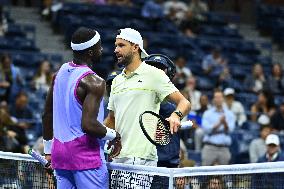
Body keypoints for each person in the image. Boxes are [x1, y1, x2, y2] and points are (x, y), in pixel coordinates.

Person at [42, 27, 121, 189]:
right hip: (85, 158)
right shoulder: (95, 82)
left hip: (60, 155)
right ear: (90, 52)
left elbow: (47, 115)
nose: (102, 49)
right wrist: (115, 136)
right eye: (99, 46)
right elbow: (89, 125)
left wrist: (49, 150)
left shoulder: (58, 74)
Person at [105, 28, 191, 167]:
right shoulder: (116, 81)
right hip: (117, 158)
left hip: (142, 159)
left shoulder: (155, 74)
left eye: (121, 45)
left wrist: (176, 115)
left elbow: (184, 102)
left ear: (135, 47)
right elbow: (111, 120)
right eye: (116, 45)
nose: (116, 50)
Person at [201, 89, 236, 166]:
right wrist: (219, 123)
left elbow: (230, 131)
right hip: (209, 147)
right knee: (204, 174)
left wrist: (225, 123)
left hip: (224, 148)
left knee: (224, 176)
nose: (218, 99)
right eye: (216, 97)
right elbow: (206, 130)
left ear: (223, 99)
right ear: (213, 99)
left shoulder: (230, 114)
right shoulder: (207, 113)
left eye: (220, 97)